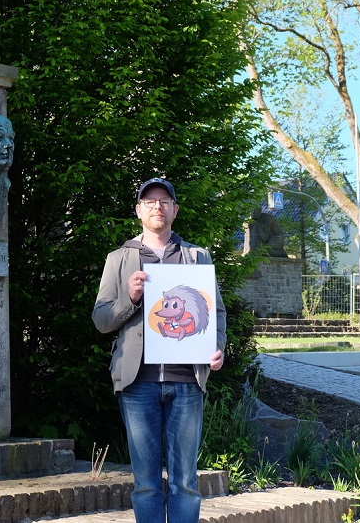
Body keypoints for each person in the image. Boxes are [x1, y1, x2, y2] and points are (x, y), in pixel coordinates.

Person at [92, 177, 227, 523]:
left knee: (185, 481)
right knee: (146, 484)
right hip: (138, 384)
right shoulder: (119, 258)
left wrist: (217, 348)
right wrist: (131, 298)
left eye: (164, 201)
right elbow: (101, 319)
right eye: (149, 202)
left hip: (187, 383)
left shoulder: (196, 256)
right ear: (138, 211)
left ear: (175, 210)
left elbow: (218, 312)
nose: (157, 207)